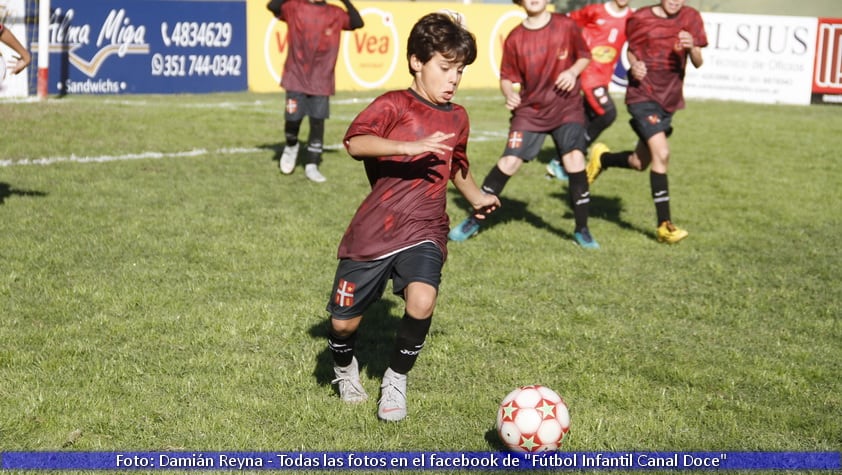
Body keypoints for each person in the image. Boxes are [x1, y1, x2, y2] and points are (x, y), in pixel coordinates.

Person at [325, 13, 499, 422]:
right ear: (416, 62)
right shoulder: (393, 104)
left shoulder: (458, 116)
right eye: (445, 68)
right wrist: (409, 146)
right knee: (342, 325)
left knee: (423, 299)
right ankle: (344, 368)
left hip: (426, 227)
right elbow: (355, 142)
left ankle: (395, 379)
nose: (453, 79)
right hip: (377, 228)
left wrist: (477, 196)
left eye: (459, 70)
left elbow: (456, 163)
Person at [448, 0, 599, 249]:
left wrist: (572, 72)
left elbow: (584, 56)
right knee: (509, 161)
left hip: (566, 108)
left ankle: (582, 229)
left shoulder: (566, 25)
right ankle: (474, 219)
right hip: (530, 112)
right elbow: (507, 77)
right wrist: (509, 93)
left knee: (574, 159)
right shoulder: (515, 37)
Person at [586, 0, 707, 244]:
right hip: (642, 96)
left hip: (669, 101)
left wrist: (692, 46)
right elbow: (632, 49)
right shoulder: (641, 18)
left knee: (639, 162)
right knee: (662, 154)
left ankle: (602, 159)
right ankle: (665, 226)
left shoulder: (691, 17)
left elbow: (698, 61)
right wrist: (634, 64)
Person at [266, 0, 363, 183]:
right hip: (295, 77)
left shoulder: (335, 13)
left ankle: (312, 165)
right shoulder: (295, 7)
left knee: (317, 122)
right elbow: (272, 6)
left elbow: (357, 23)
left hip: (321, 80)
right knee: (292, 119)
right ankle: (291, 146)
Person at [546, 0, 633, 182]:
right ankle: (566, 158)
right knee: (608, 113)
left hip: (604, 77)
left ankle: (560, 161)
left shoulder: (631, 18)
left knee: (587, 119)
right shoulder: (595, 11)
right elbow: (567, 23)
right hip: (588, 74)